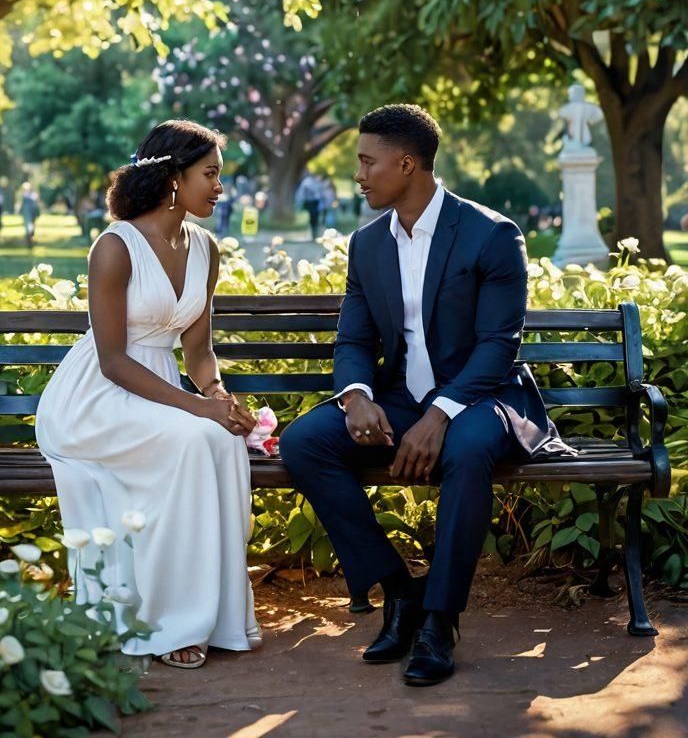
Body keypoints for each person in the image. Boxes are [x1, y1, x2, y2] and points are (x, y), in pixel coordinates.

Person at [280, 103, 570, 687]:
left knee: (465, 449)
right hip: (400, 399)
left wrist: (439, 413)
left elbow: (498, 347)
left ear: (406, 163)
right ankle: (400, 591)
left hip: (485, 397)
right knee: (304, 442)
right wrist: (357, 397)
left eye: (367, 162)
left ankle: (440, 620)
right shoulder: (367, 245)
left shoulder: (490, 234)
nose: (357, 175)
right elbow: (354, 339)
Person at [36, 120, 261, 668]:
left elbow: (199, 348)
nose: (219, 186)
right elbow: (113, 361)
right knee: (189, 440)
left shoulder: (206, 248)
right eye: (209, 174)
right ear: (173, 178)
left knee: (224, 442)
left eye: (219, 175)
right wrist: (197, 407)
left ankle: (219, 616)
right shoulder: (114, 247)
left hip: (159, 390)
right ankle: (165, 624)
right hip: (95, 396)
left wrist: (218, 396)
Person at [19, 182, 41, 247]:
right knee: (30, 225)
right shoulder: (32, 195)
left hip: (29, 212)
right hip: (30, 212)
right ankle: (30, 238)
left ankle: (30, 238)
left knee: (29, 225)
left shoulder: (28, 196)